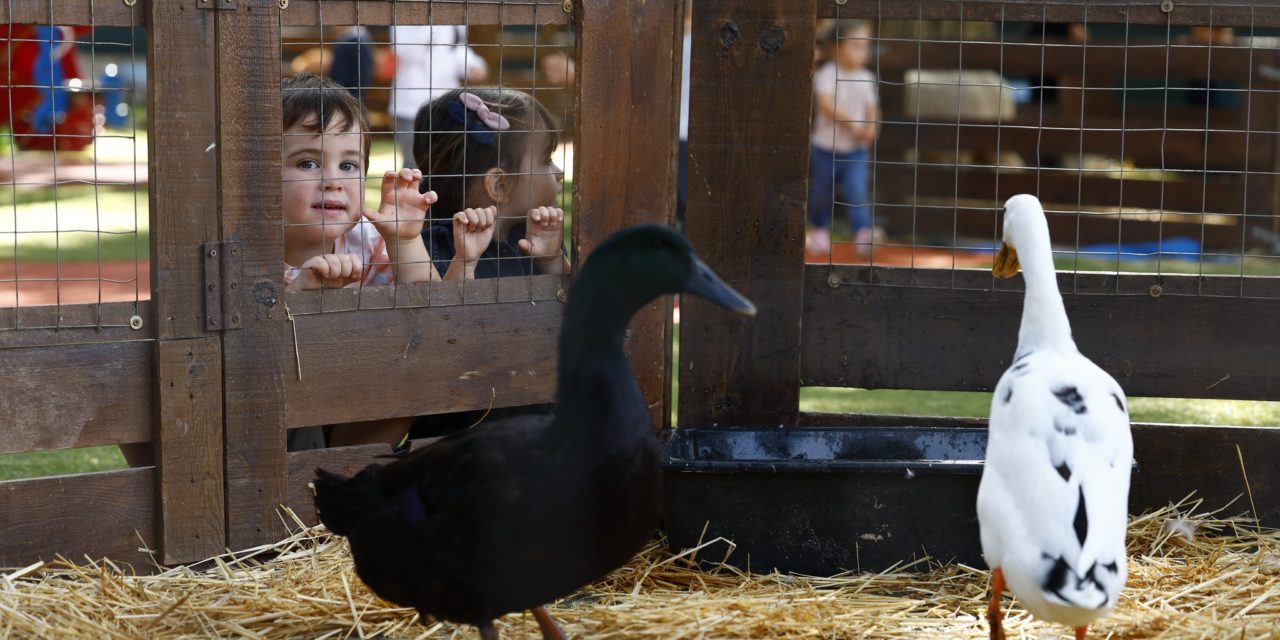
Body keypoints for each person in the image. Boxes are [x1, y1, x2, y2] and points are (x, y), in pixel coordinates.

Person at [282, 73, 495, 450]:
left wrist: (407, 239)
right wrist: (300, 293)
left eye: (348, 166)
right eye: (308, 163)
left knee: (406, 369)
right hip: (277, 418)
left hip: (352, 415)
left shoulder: (365, 239)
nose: (332, 181)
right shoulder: (246, 254)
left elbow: (431, 317)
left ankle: (351, 476)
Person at [415, 88, 570, 278]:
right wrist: (464, 264)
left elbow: (574, 302)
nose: (560, 173)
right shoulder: (434, 249)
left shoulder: (542, 235)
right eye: (547, 160)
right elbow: (444, 307)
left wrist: (553, 261)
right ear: (499, 186)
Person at [807, 20, 882, 255]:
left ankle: (863, 234)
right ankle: (818, 231)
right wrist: (853, 125)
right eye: (856, 46)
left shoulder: (867, 78)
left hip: (855, 150)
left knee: (857, 190)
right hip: (824, 148)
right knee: (821, 191)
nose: (863, 52)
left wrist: (871, 130)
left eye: (866, 46)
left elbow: (873, 110)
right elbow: (827, 105)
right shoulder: (827, 74)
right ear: (836, 48)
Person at [390, 26, 489, 169]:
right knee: (414, 165)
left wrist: (473, 65)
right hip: (410, 107)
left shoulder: (452, 16)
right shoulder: (404, 17)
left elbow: (456, 49)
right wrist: (430, 22)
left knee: (445, 163)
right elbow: (407, 53)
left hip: (446, 106)